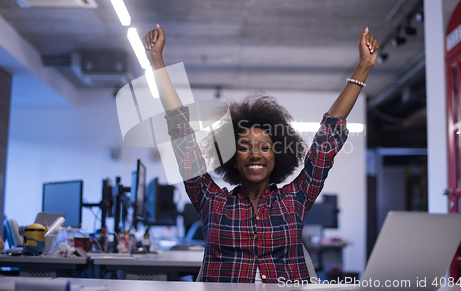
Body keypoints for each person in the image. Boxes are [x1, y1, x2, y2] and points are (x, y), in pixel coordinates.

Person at [142, 25, 379, 283]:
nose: (256, 154)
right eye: (245, 147)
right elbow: (181, 134)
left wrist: (363, 66)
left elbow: (327, 137)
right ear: (232, 158)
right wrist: (156, 61)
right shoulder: (210, 200)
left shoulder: (295, 199)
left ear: (277, 156)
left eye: (265, 147)